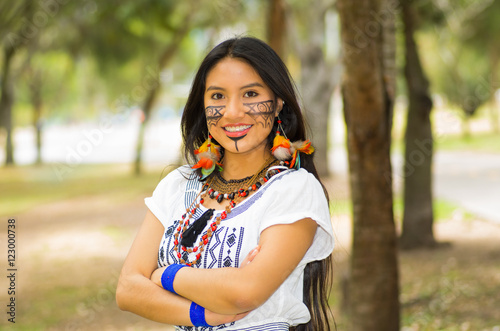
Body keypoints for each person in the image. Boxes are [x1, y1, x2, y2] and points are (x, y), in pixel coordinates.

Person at [116, 36, 335, 331]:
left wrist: (164, 275)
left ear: (278, 102)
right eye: (217, 96)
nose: (233, 112)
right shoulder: (178, 185)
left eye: (251, 94)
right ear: (202, 105)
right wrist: (204, 314)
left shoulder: (295, 190)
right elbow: (128, 290)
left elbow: (246, 292)